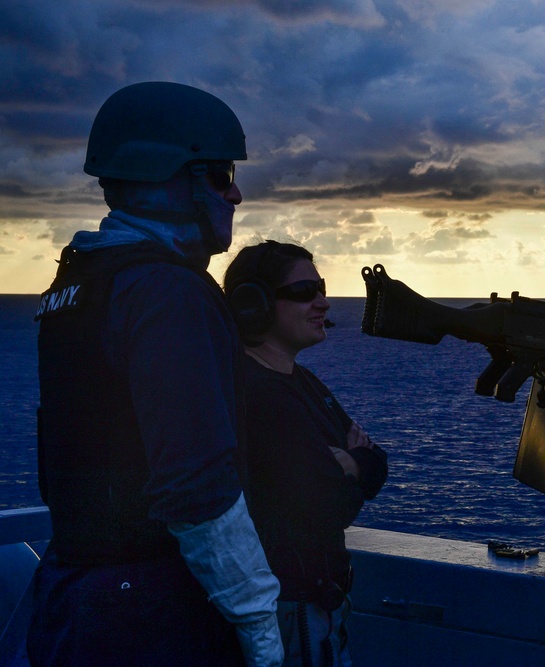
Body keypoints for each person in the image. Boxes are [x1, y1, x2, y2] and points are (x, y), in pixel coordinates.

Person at [29, 82, 283, 666]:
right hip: (148, 611)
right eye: (220, 176)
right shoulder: (167, 292)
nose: (236, 194)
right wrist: (259, 625)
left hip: (75, 594)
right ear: (175, 180)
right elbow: (196, 486)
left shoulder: (83, 281)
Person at [223, 240, 388, 667]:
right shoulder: (257, 393)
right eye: (304, 291)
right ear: (254, 305)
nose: (323, 302)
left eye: (322, 287)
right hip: (289, 613)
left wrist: (353, 464)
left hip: (316, 610)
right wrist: (350, 466)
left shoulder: (301, 381)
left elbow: (376, 462)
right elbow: (329, 503)